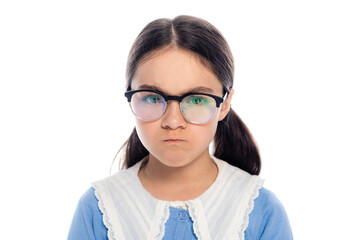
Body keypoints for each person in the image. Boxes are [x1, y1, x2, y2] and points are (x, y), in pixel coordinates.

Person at [68, 15, 293, 240]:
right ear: (130, 100)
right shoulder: (97, 209)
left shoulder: (262, 212)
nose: (173, 122)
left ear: (224, 104)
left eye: (196, 100)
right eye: (153, 98)